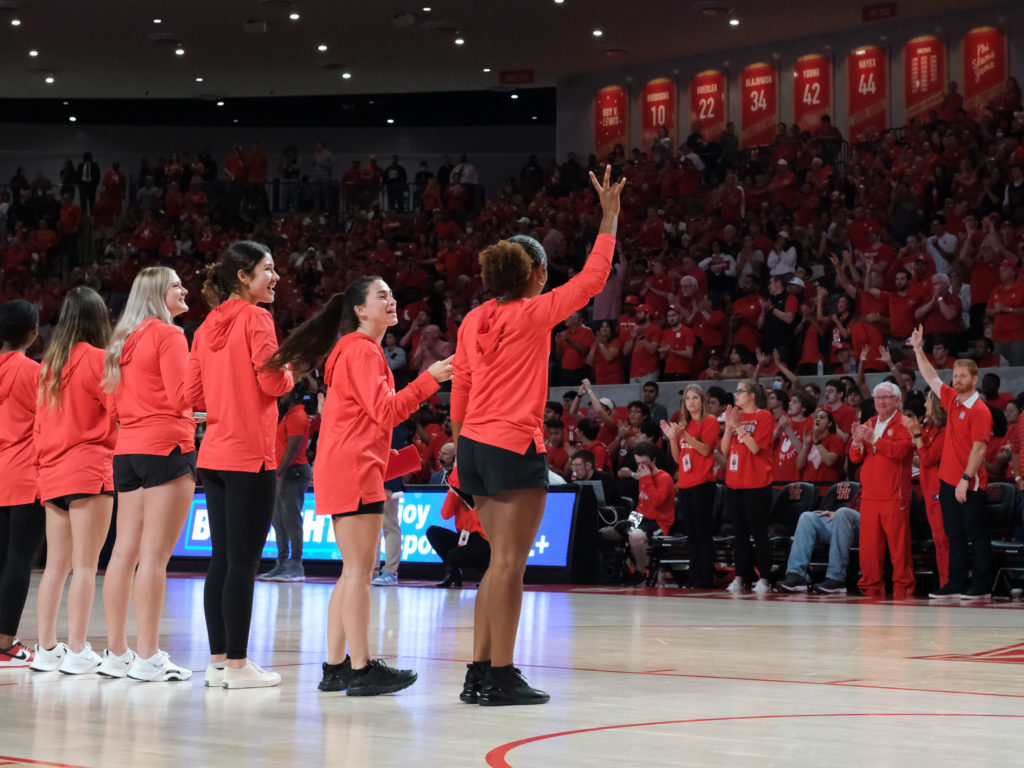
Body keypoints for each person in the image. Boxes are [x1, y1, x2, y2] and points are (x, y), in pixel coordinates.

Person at [450, 165, 623, 706]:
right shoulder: (532, 314)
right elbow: (594, 280)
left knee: (493, 564)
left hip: (474, 444)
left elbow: (459, 390)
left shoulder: (473, 318)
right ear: (537, 273)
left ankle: (478, 672)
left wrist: (461, 451)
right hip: (510, 444)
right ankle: (500, 673)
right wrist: (610, 215)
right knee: (509, 565)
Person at [267, 275, 452, 696]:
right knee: (359, 574)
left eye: (392, 294)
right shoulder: (362, 351)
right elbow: (386, 412)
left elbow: (360, 421)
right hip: (354, 470)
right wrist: (430, 380)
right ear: (360, 310)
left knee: (350, 574)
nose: (392, 301)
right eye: (381, 296)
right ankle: (362, 667)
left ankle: (335, 668)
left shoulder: (352, 350)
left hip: (349, 466)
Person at [185, 242, 295, 689]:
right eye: (268, 269)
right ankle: (237, 664)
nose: (276, 277)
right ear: (243, 277)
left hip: (212, 454)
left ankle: (217, 663)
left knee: (222, 561)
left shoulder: (206, 323)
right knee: (244, 564)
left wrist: (226, 397)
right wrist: (289, 372)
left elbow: (192, 396)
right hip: (250, 455)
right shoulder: (257, 318)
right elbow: (272, 380)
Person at [97, 267, 197, 681]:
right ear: (158, 294)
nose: (184, 288)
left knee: (124, 553)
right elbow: (181, 396)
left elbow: (114, 408)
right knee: (154, 557)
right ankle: (149, 656)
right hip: (166, 448)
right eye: (176, 284)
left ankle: (117, 653)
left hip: (128, 452)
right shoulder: (170, 334)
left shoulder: (123, 341)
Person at [29, 287, 115, 674]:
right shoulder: (100, 360)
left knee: (55, 567)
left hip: (52, 472)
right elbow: (120, 412)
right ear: (100, 319)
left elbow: (39, 427)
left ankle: (47, 649)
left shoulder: (49, 364)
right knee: (85, 566)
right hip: (88, 467)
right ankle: (78, 649)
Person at [910, 325, 993, 600]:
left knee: (976, 535)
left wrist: (965, 480)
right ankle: (955, 583)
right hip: (947, 481)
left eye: (962, 376)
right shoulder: (952, 401)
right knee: (954, 535)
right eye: (955, 375)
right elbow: (931, 376)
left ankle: (981, 587)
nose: (956, 380)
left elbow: (979, 449)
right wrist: (918, 349)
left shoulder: (980, 410)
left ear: (974, 378)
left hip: (969, 482)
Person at [0, 300, 44, 666]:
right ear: (33, 333)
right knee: (18, 560)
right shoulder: (33, 372)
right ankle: (5, 643)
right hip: (26, 474)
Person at [848, 382, 916, 599]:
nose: (881, 401)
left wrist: (873, 439)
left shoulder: (904, 423)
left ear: (897, 401)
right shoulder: (869, 422)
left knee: (899, 549)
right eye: (878, 398)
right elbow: (855, 458)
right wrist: (857, 443)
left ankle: (902, 591)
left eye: (886, 397)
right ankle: (871, 590)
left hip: (894, 496)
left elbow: (901, 451)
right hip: (869, 496)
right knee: (869, 549)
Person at [661, 385, 719, 588]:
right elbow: (678, 458)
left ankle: (706, 577)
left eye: (695, 398)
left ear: (702, 401)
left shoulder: (709, 422)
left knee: (703, 532)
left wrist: (684, 436)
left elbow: (705, 450)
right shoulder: (684, 424)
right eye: (688, 398)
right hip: (684, 483)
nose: (691, 402)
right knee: (691, 533)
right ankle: (694, 576)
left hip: (703, 483)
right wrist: (672, 439)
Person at [721, 380, 774, 594]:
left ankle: (764, 579)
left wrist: (739, 427)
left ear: (752, 395)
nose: (736, 394)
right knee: (739, 534)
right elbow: (724, 450)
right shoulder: (736, 416)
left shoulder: (764, 416)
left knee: (759, 532)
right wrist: (728, 428)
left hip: (757, 483)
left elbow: (754, 448)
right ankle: (740, 577)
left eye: (740, 391)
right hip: (734, 482)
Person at [258, 385, 312, 583]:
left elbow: (293, 449)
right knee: (278, 520)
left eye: (286, 392)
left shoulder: (298, 416)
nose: (281, 395)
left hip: (293, 472)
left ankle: (296, 565)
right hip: (284, 473)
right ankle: (281, 563)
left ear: (295, 394)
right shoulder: (289, 415)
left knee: (291, 519)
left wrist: (278, 472)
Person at [778, 491, 862, 593]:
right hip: (848, 518)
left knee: (843, 512)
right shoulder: (863, 477)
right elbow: (854, 504)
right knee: (807, 517)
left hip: (868, 522)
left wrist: (842, 513)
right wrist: (836, 513)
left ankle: (836, 579)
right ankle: (796, 576)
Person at [906, 394, 949, 589]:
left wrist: (916, 436)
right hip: (928, 490)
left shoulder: (944, 431)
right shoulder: (929, 428)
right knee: (939, 540)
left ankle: (948, 584)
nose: (924, 404)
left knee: (943, 540)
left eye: (928, 401)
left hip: (940, 490)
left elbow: (929, 458)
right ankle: (943, 584)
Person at [622, 442, 676, 582]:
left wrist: (646, 478)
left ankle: (642, 573)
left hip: (659, 522)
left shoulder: (664, 478)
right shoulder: (644, 478)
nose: (641, 467)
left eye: (645, 463)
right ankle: (624, 570)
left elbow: (657, 502)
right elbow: (641, 505)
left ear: (653, 460)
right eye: (638, 463)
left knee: (635, 536)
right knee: (614, 533)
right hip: (643, 519)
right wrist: (630, 523)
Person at [426, 484, 491, 588]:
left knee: (453, 556)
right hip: (464, 538)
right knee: (432, 532)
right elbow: (445, 515)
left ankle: (485, 570)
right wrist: (453, 492)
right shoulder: (458, 492)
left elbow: (482, 519)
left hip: (483, 540)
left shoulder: (482, 490)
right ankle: (453, 574)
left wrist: (469, 493)